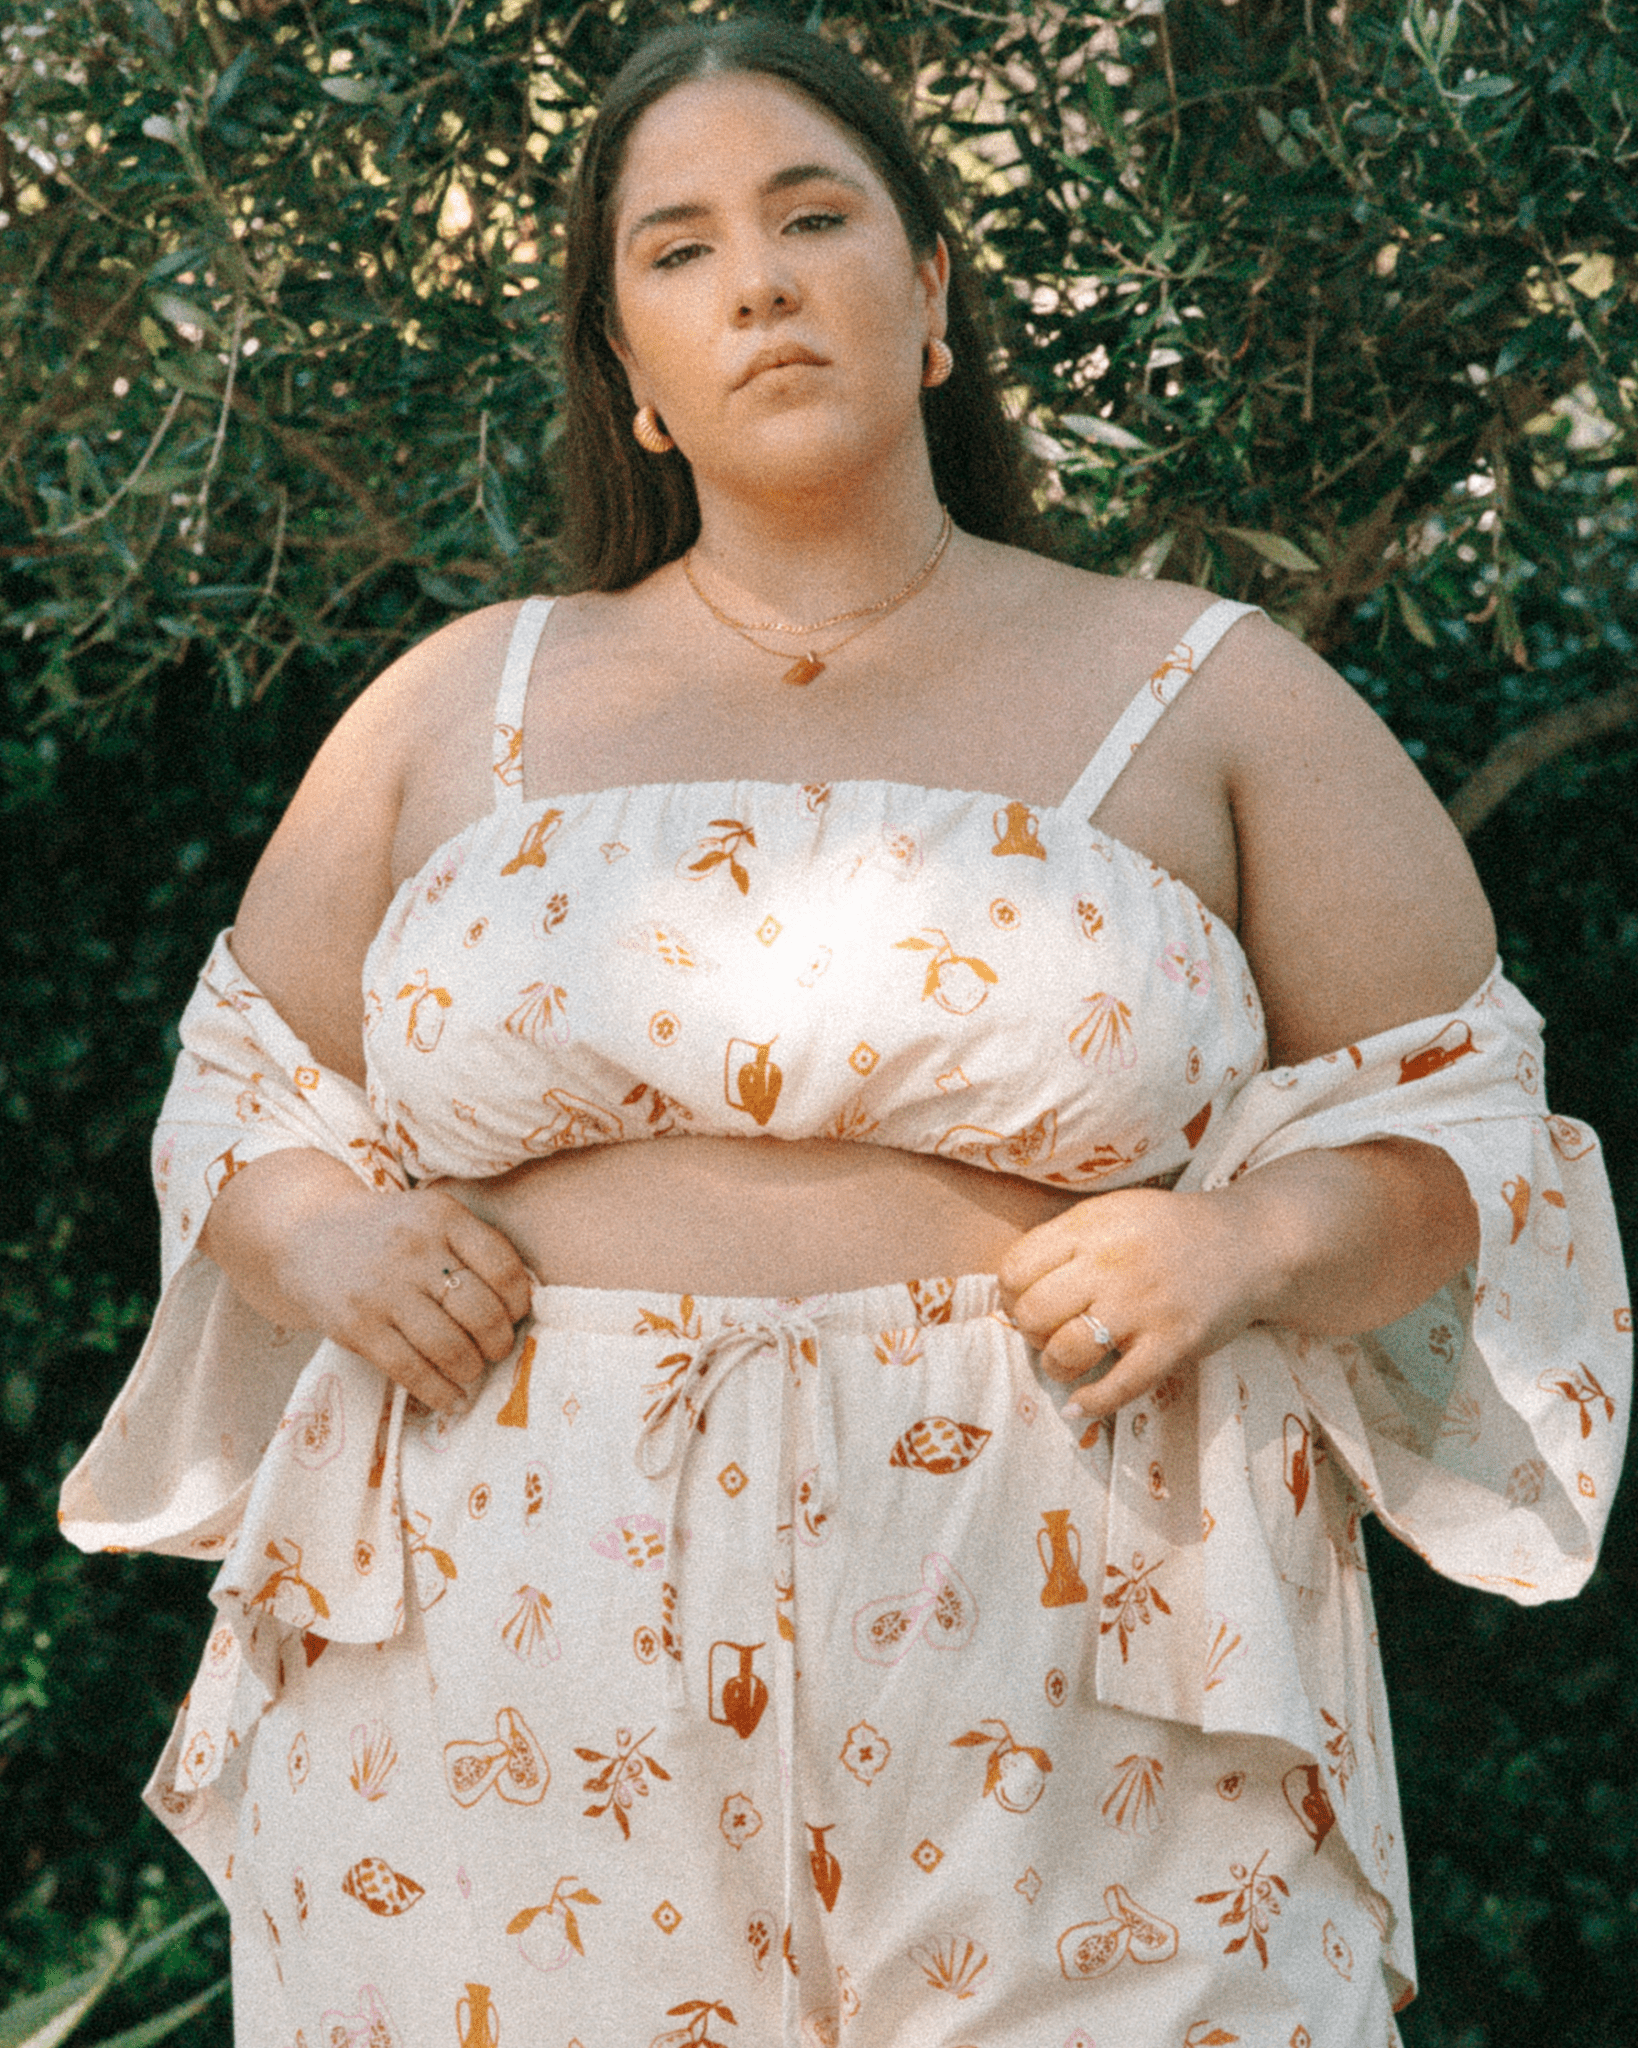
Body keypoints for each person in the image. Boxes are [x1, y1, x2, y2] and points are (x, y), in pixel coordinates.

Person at [61, 19, 1628, 2048]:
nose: (760, 282)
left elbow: (1469, 1143)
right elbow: (243, 1096)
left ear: (934, 290)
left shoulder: (1211, 690)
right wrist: (315, 1234)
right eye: (678, 249)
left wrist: (1247, 1244)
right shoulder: (458, 705)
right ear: (628, 368)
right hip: (499, 1645)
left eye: (814, 217)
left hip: (1083, 1642)